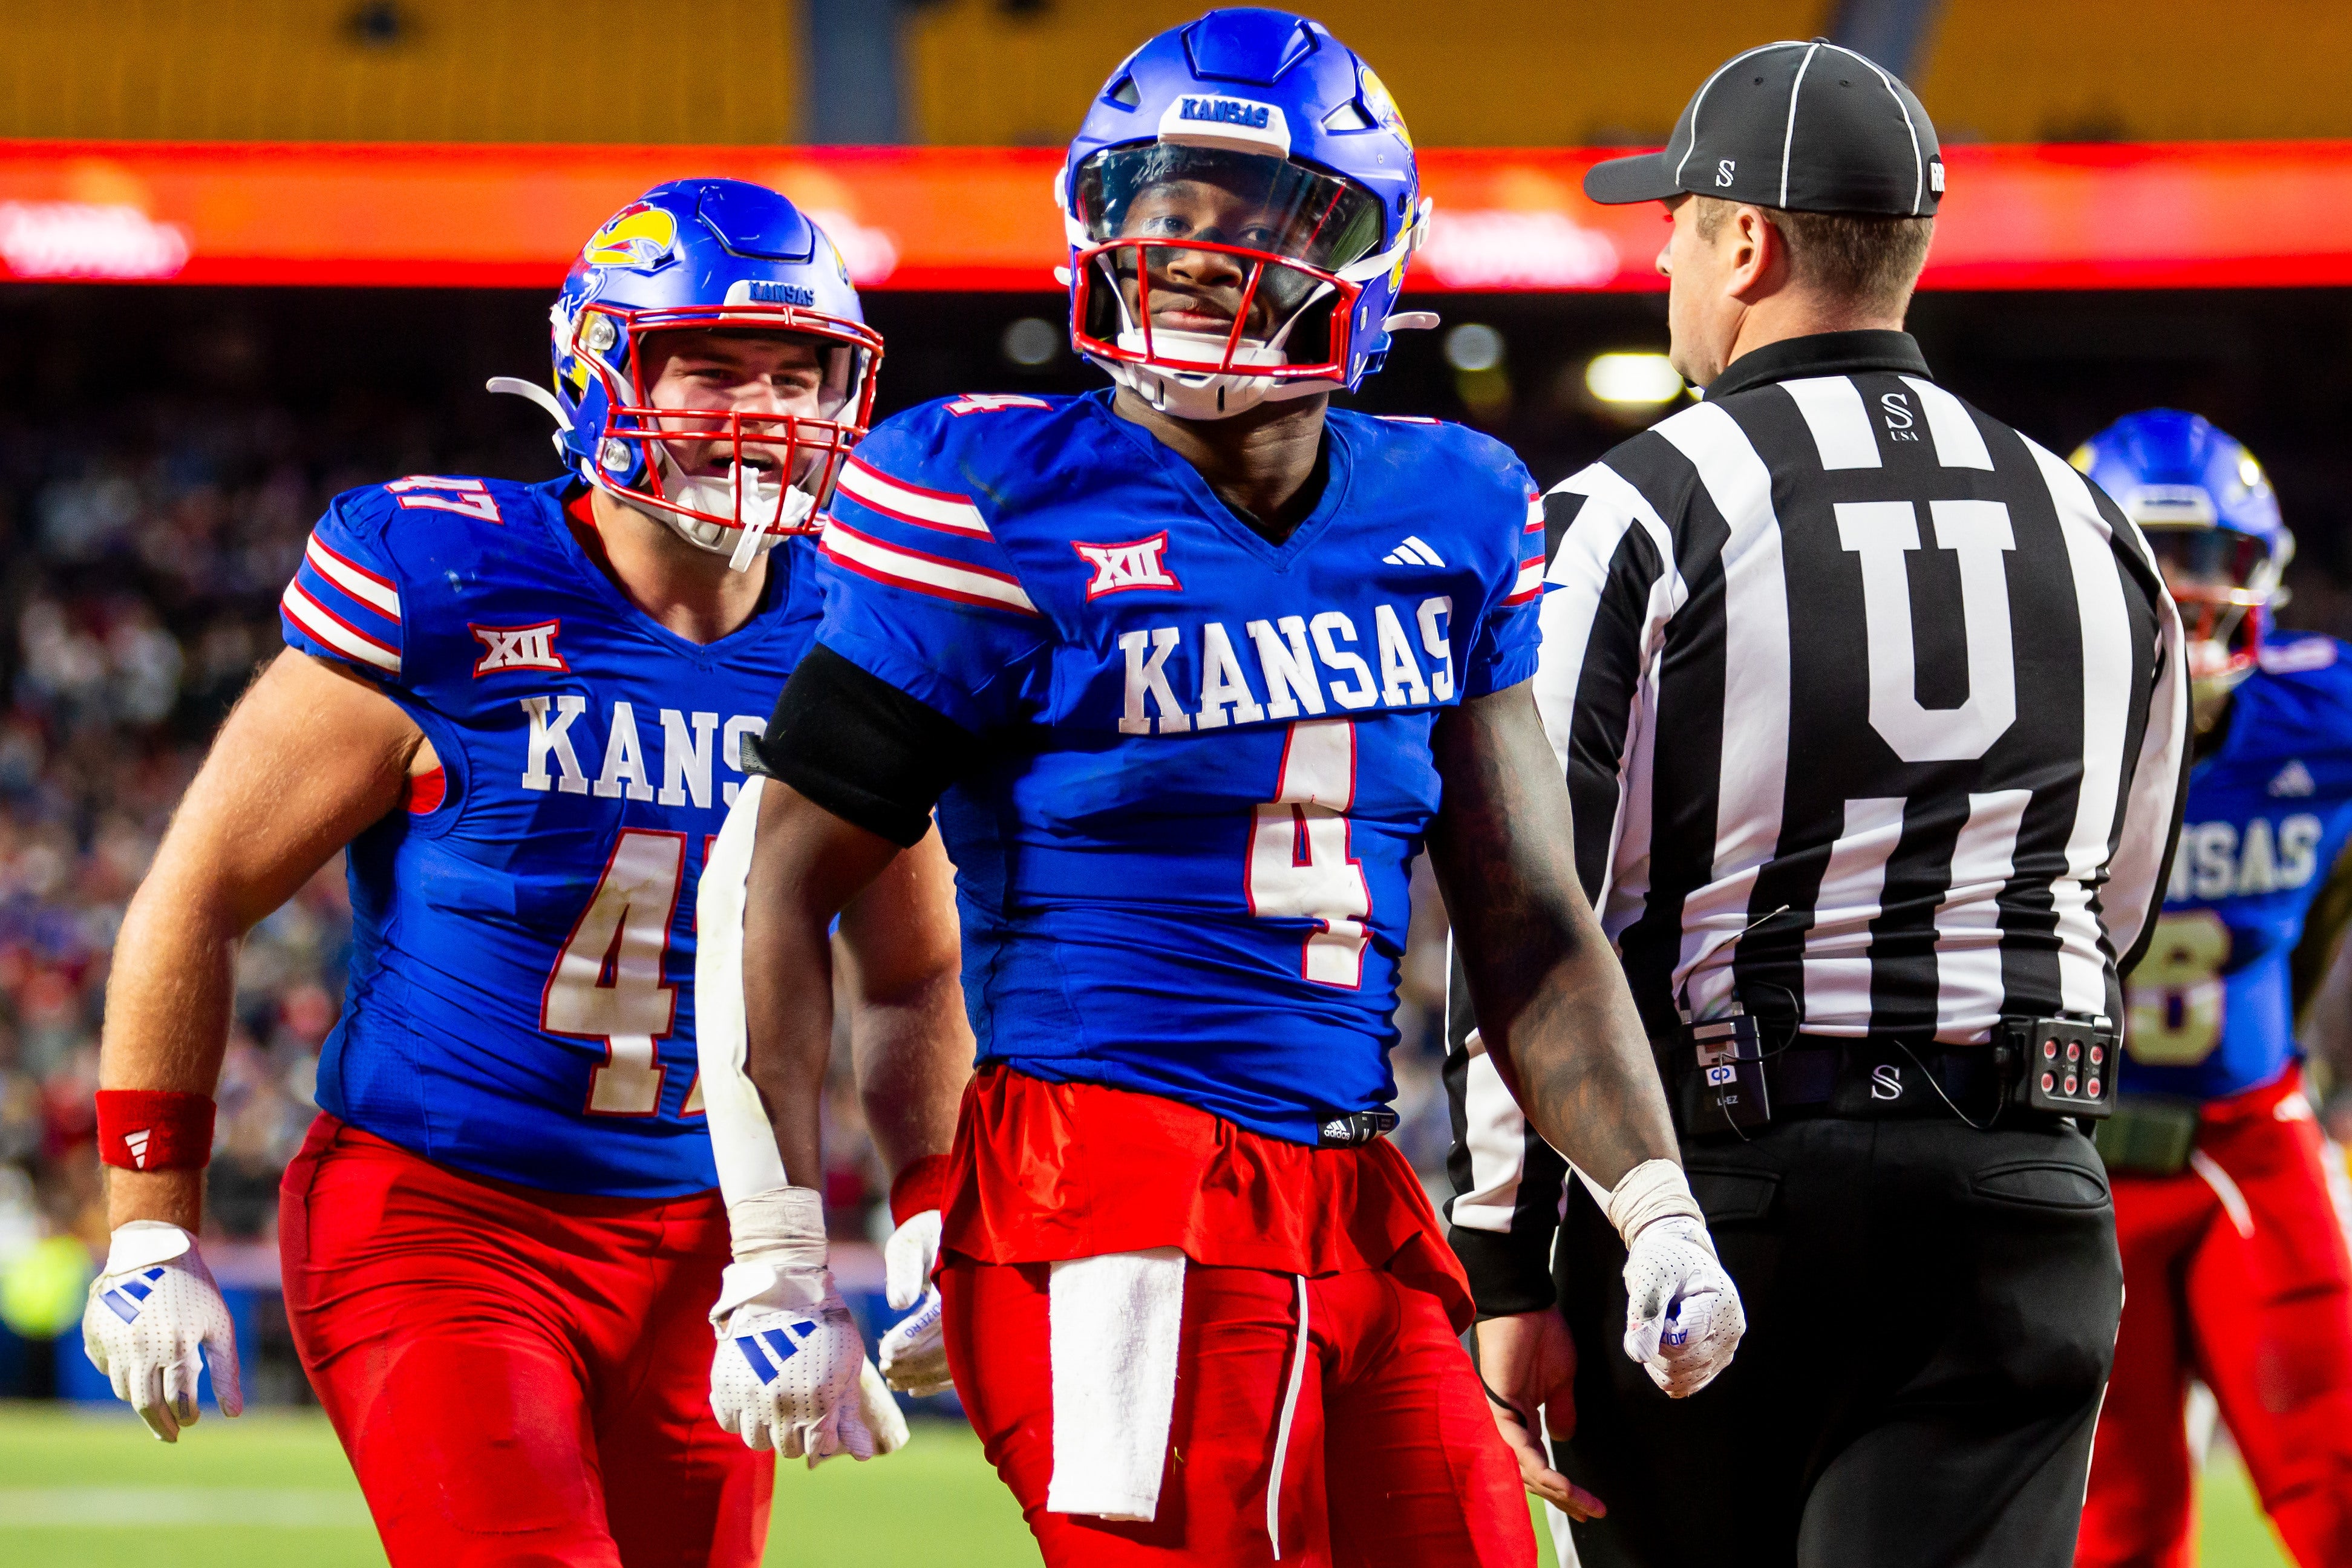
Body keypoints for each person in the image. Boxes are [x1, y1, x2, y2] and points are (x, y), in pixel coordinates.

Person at [692, 9, 1744, 1565]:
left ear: (1370, 245)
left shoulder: (1451, 504)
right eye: (1160, 202)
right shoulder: (994, 493)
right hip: (1105, 1177)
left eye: (1256, 212)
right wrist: (778, 1257)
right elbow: (771, 885)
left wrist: (1654, 1199)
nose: (1191, 247)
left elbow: (1529, 920)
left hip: (1355, 1179)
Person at [82, 179, 971, 1567]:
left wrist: (928, 1210)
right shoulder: (445, 575)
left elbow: (910, 970)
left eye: (799, 373)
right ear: (604, 367)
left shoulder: (859, 629)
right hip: (441, 1214)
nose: (763, 410)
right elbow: (198, 894)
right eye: (715, 366)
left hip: (707, 1252)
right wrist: (151, 1230)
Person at [1446, 39, 2190, 1568]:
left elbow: (1533, 916)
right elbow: (2119, 899)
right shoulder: (2093, 519)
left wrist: (1509, 1262)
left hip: (1732, 1188)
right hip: (2023, 1186)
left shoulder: (1630, 508)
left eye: (1676, 218)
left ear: (1747, 241)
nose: (1658, 250)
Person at [2069, 411, 2352, 1568]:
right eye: (2154, 555)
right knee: (2113, 1528)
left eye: (2211, 557)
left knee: (2336, 1487)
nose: (2185, 589)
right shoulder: (2023, 729)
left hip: (2250, 1135)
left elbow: (2328, 905)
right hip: (2074, 1158)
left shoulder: (2325, 716)